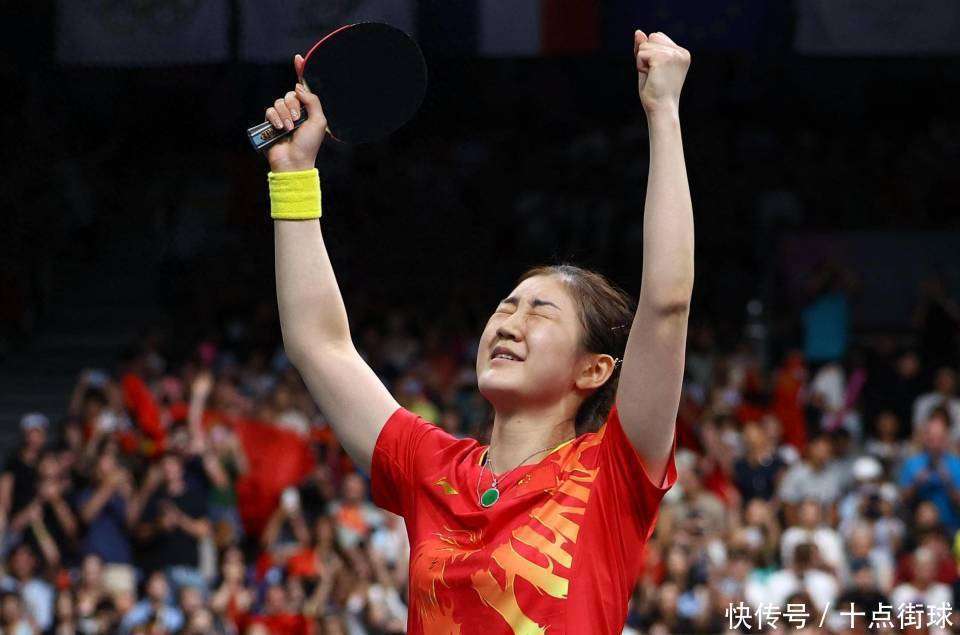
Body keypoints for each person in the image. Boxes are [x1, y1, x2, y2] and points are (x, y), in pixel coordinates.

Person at [263, 29, 692, 633]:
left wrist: (663, 110)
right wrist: (293, 174)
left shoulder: (613, 471)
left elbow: (667, 304)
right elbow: (318, 345)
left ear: (594, 369)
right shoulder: (429, 468)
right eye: (506, 307)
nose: (510, 323)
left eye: (541, 312)